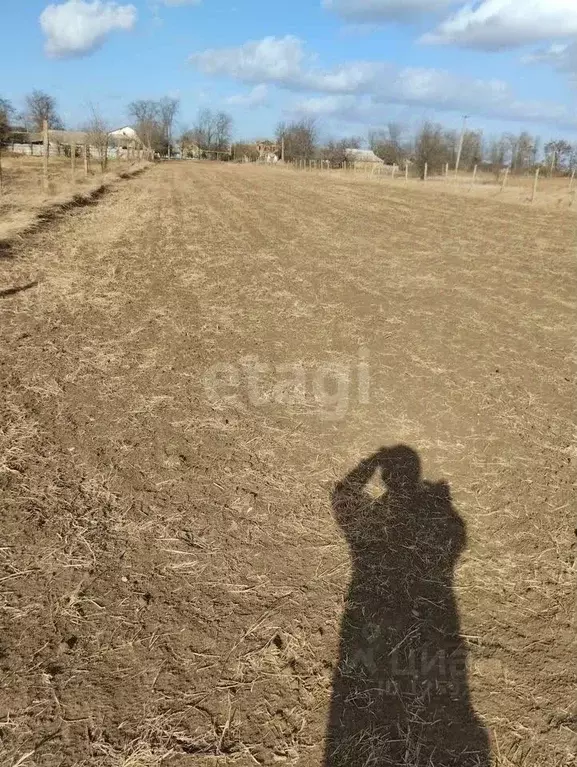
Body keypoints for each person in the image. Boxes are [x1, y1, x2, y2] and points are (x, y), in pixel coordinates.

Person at [325, 445, 490, 766]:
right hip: (436, 614)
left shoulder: (372, 530)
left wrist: (370, 462)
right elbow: (456, 534)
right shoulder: (444, 526)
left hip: (375, 615)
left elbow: (342, 497)